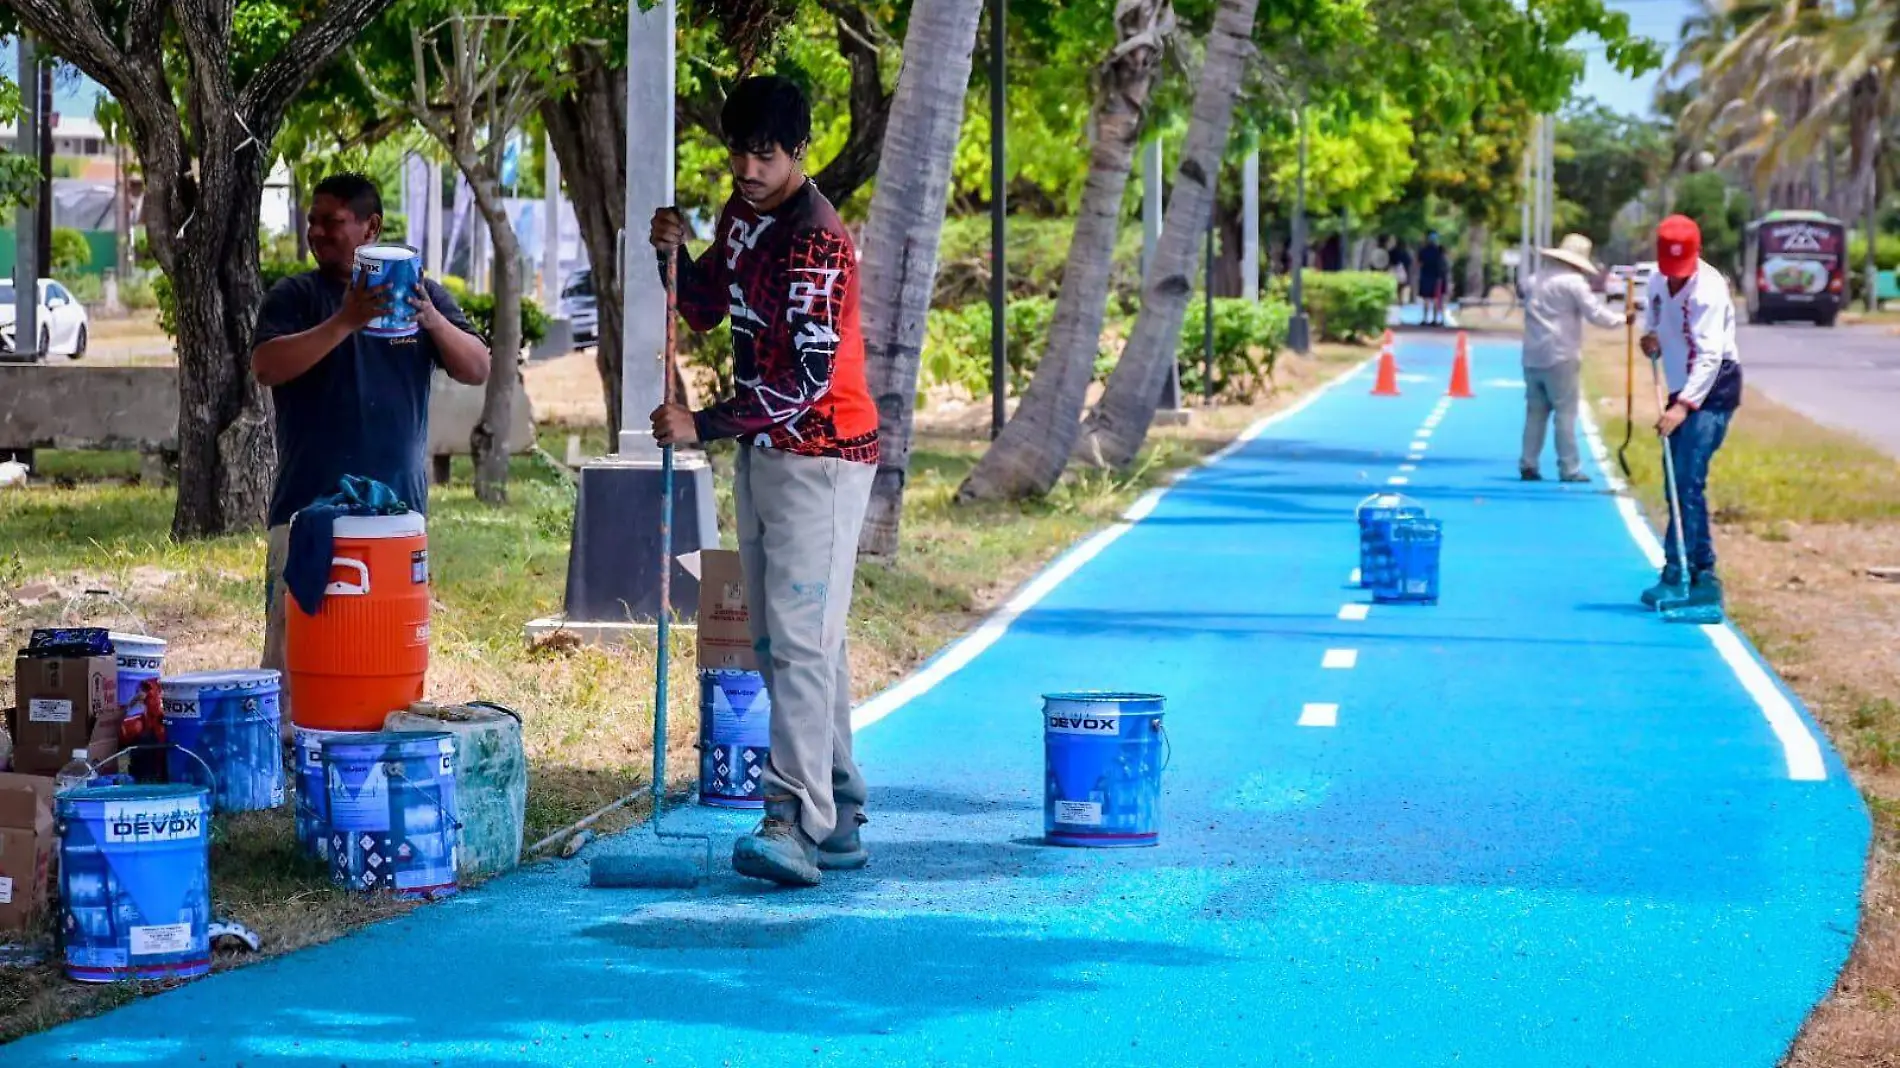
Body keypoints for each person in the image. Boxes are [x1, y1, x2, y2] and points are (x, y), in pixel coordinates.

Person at [648, 76, 880, 888]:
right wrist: (672, 256)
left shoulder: (816, 240)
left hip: (820, 452)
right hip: (767, 447)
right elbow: (709, 307)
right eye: (738, 150)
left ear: (800, 153)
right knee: (791, 639)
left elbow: (807, 381)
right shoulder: (747, 211)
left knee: (800, 639)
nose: (747, 166)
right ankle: (841, 811)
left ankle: (792, 818)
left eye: (765, 153)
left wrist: (702, 423)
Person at [250, 173, 491, 718]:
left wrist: (429, 317)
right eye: (313, 221)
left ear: (371, 228)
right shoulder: (296, 296)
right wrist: (345, 321)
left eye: (332, 222)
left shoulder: (423, 296)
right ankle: (292, 751)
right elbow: (266, 366)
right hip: (306, 512)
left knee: (384, 648)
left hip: (395, 517)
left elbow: (478, 366)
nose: (317, 232)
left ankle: (379, 743)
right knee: (296, 658)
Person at [1639, 214, 1743, 616]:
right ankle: (1677, 569)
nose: (1678, 278)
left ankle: (1701, 579)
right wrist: (1650, 340)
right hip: (1680, 387)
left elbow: (1711, 356)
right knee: (1674, 482)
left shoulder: (1710, 290)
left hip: (1714, 390)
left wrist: (1684, 406)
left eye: (1684, 270)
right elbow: (1655, 323)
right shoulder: (1655, 280)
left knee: (1688, 480)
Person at [1520, 233, 1631, 483]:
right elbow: (1595, 314)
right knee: (1565, 413)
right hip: (1561, 354)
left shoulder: (1532, 281)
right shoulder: (1574, 283)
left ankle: (1528, 462)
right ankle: (1569, 468)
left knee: (1535, 412)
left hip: (1532, 355)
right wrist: (1623, 320)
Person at [1416, 231, 1449, 326]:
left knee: (1426, 299)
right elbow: (1444, 264)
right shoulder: (1440, 251)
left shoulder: (1423, 251)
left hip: (1426, 276)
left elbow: (1419, 264)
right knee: (1437, 298)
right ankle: (1435, 319)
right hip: (1438, 278)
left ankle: (1425, 319)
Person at [1390, 239, 1414, 305]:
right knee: (1400, 286)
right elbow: (1409, 262)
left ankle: (1398, 299)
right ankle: (1399, 299)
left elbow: (1390, 260)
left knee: (1397, 285)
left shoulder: (1393, 251)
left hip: (1395, 270)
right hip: (1402, 271)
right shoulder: (1405, 252)